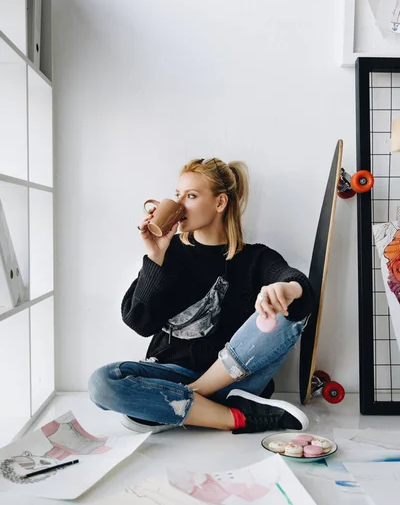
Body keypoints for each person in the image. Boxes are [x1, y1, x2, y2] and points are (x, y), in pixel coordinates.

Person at [88, 158, 314, 434]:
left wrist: (286, 289)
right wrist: (155, 256)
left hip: (234, 381)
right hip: (173, 373)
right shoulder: (169, 256)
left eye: (191, 196)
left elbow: (301, 288)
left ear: (220, 203)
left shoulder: (256, 258)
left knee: (286, 306)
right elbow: (139, 322)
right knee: (102, 383)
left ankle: (182, 401)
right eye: (177, 196)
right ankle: (238, 417)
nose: (180, 205)